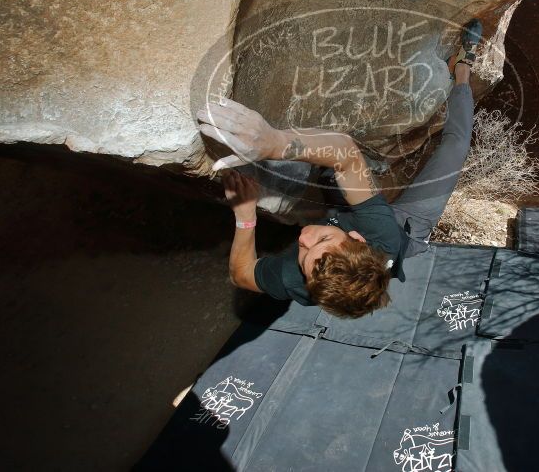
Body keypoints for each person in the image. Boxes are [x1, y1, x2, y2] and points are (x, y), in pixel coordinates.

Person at [198, 19, 482, 318]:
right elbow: (345, 153)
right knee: (456, 147)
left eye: (303, 258)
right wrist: (274, 143)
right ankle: (463, 68)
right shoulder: (380, 233)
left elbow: (241, 274)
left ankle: (357, 184)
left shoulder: (297, 282)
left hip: (344, 216)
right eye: (322, 240)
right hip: (407, 230)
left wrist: (245, 217)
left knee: (329, 177)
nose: (304, 238)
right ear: (357, 238)